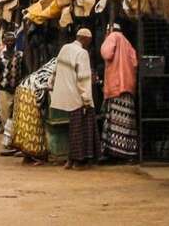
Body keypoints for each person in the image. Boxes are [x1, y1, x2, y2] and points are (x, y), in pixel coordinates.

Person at [50, 28, 99, 170]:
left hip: (65, 96)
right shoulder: (82, 53)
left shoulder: (65, 48)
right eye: (89, 40)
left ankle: (70, 160)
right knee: (81, 130)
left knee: (72, 129)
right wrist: (87, 100)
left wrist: (52, 85)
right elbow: (83, 78)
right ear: (85, 39)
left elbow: (55, 70)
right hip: (77, 97)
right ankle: (78, 161)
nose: (89, 43)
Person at [100, 23, 138, 160]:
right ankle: (129, 152)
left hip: (116, 86)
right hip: (127, 86)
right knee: (127, 121)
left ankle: (113, 151)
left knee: (114, 120)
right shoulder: (127, 42)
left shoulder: (113, 37)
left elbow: (106, 53)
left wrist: (107, 39)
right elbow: (135, 63)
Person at [0, 32, 26, 156]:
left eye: (12, 41)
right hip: (4, 90)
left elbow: (24, 70)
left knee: (16, 116)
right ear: (4, 42)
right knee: (5, 117)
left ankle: (14, 142)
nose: (10, 43)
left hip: (17, 89)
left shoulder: (20, 55)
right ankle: (8, 141)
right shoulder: (0, 56)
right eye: (8, 41)